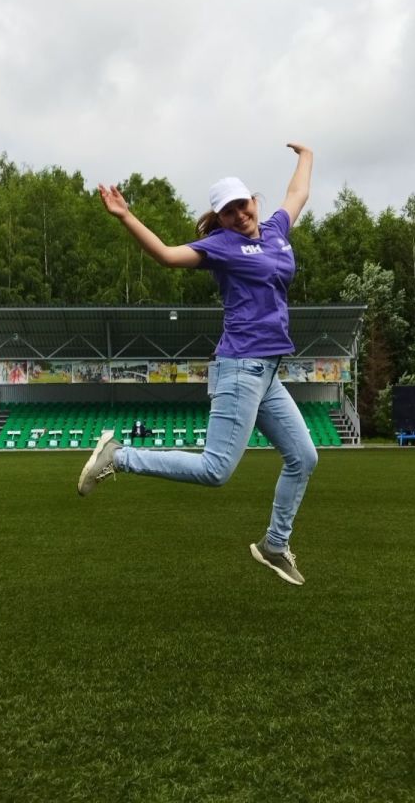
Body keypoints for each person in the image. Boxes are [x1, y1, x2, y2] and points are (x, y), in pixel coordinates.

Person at [78, 143, 318, 586]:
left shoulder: (276, 230)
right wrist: (127, 216)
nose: (239, 214)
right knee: (216, 469)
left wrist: (306, 154)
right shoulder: (222, 245)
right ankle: (120, 456)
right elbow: (168, 256)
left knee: (304, 457)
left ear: (252, 201)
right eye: (228, 211)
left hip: (266, 373)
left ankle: (274, 545)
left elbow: (297, 193)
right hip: (240, 366)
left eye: (242, 204)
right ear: (221, 219)